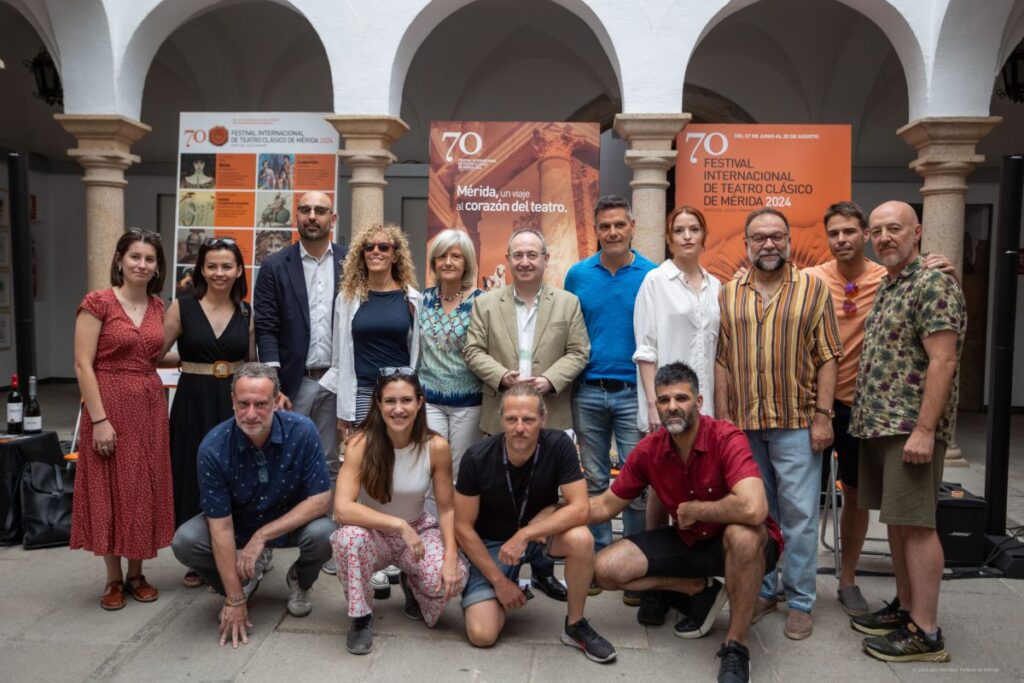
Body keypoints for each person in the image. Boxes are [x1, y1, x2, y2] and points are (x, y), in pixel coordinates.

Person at [803, 201, 956, 617]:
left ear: (863, 236)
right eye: (833, 233)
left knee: (857, 496)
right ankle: (788, 581)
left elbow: (944, 346)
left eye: (850, 232)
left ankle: (849, 580)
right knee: (796, 496)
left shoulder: (893, 278)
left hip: (870, 411)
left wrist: (947, 273)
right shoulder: (810, 279)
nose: (842, 240)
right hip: (816, 405)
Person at [590, 362, 784, 683]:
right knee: (605, 569)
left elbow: (754, 508)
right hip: (689, 540)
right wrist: (553, 518)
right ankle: (698, 589)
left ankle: (736, 645)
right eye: (664, 400)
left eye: (681, 398)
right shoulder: (649, 449)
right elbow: (605, 505)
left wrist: (698, 510)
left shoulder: (726, 437)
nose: (672, 407)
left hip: (740, 547)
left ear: (699, 401)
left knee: (744, 534)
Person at [714, 207, 842, 640]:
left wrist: (823, 417)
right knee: (757, 514)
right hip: (746, 424)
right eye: (759, 237)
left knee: (801, 515)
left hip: (797, 422)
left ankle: (801, 599)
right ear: (746, 244)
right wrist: (724, 419)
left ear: (788, 241)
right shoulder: (730, 293)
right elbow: (723, 361)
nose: (769, 244)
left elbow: (828, 356)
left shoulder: (813, 289)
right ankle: (764, 589)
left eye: (776, 236)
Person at [849, 201, 965, 663]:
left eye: (893, 229)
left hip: (908, 429)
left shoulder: (932, 282)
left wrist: (924, 430)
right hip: (881, 424)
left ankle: (927, 631)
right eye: (876, 231)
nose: (883, 238)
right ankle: (906, 607)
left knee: (917, 526)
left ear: (917, 232)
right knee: (897, 522)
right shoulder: (892, 283)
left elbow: (945, 359)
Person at [464, 227, 590, 601]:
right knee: (501, 489)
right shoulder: (486, 303)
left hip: (551, 410)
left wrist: (549, 381)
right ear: (508, 259)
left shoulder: (567, 303)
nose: (524, 261)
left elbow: (579, 352)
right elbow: (472, 351)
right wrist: (502, 377)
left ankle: (544, 571)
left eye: (532, 254)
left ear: (545, 259)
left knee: (548, 494)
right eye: (517, 254)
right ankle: (502, 563)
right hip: (501, 412)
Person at [171, 363, 334, 648]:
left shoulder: (303, 431)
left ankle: (300, 580)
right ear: (232, 401)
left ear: (277, 401)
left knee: (326, 534)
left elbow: (321, 501)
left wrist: (263, 536)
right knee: (186, 540)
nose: (250, 413)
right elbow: (220, 526)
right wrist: (233, 599)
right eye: (243, 403)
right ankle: (237, 582)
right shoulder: (213, 447)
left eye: (261, 404)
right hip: (238, 523)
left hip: (288, 521)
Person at [454, 383, 616, 663]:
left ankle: (575, 624)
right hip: (491, 544)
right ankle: (498, 590)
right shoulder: (476, 457)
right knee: (482, 635)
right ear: (500, 419)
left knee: (581, 538)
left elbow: (580, 509)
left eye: (528, 419)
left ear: (543, 418)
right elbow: (462, 528)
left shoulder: (559, 445)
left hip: (535, 537)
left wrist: (525, 534)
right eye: (511, 419)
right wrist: (499, 582)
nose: (520, 427)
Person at [331, 370, 469, 654]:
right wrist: (398, 525)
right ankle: (360, 617)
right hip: (372, 534)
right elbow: (342, 509)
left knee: (451, 579)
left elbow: (446, 508)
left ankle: (413, 582)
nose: (398, 409)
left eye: (406, 400)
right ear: (378, 404)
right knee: (347, 539)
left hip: (417, 532)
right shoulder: (360, 443)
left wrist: (452, 557)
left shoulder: (437, 446)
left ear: (420, 402)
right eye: (390, 401)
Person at [71, 228, 174, 610]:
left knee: (142, 485)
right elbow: (83, 364)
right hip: (108, 402)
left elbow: (153, 357)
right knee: (110, 486)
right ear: (119, 260)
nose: (142, 265)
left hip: (149, 405)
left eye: (150, 259)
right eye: (135, 257)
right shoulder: (98, 302)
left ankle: (137, 572)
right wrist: (99, 420)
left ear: (157, 266)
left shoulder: (158, 306)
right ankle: (113, 578)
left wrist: (208, 360)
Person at [563, 195, 656, 597]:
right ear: (596, 230)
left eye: (620, 224)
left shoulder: (652, 275)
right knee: (595, 480)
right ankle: (600, 561)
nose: (613, 232)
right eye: (605, 226)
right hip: (588, 391)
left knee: (635, 486)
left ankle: (632, 565)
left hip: (633, 393)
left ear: (632, 226)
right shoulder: (578, 275)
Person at [322, 222, 422, 586]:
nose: (377, 253)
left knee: (398, 469)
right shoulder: (348, 298)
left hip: (398, 396)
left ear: (396, 254)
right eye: (370, 248)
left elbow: (417, 352)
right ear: (361, 255)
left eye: (384, 247)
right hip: (362, 392)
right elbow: (338, 355)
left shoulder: (412, 298)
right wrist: (341, 409)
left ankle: (395, 551)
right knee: (362, 471)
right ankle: (367, 553)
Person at [162, 236, 255, 588]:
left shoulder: (246, 312)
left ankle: (239, 545)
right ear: (201, 268)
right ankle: (197, 554)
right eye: (212, 266)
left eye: (226, 266)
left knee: (237, 470)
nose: (219, 272)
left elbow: (251, 361)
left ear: (238, 270)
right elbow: (158, 353)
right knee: (191, 469)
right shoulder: (181, 307)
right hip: (192, 399)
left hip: (233, 401)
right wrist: (193, 363)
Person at [253, 191, 346, 467]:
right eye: (305, 210)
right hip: (293, 384)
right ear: (297, 216)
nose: (312, 217)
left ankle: (327, 513)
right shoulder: (274, 266)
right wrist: (274, 385)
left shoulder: (351, 262)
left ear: (333, 218)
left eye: (320, 211)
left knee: (331, 463)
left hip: (336, 381)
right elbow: (266, 328)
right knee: (286, 459)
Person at [634, 205, 721, 427]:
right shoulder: (655, 281)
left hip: (705, 405)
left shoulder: (716, 286)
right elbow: (645, 351)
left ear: (704, 236)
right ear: (668, 238)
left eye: (694, 229)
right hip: (667, 406)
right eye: (679, 230)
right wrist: (654, 406)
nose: (687, 236)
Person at [417, 228, 485, 485]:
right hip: (430, 401)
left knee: (461, 475)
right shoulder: (422, 299)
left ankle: (459, 526)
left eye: (455, 256)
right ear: (433, 261)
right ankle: (433, 526)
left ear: (466, 262)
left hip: (468, 404)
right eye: (441, 256)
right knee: (432, 471)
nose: (447, 262)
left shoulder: (482, 302)